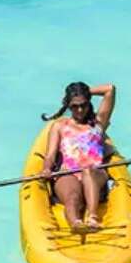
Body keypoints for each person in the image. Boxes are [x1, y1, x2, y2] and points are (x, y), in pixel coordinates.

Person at [41, 81, 116, 233]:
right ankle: (76, 223)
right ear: (68, 106)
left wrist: (85, 91)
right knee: (72, 197)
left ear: (89, 103)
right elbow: (50, 155)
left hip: (95, 173)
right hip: (68, 173)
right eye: (75, 106)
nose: (80, 110)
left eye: (84, 104)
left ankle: (92, 217)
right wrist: (47, 168)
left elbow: (110, 89)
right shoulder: (60, 126)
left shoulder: (98, 123)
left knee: (88, 170)